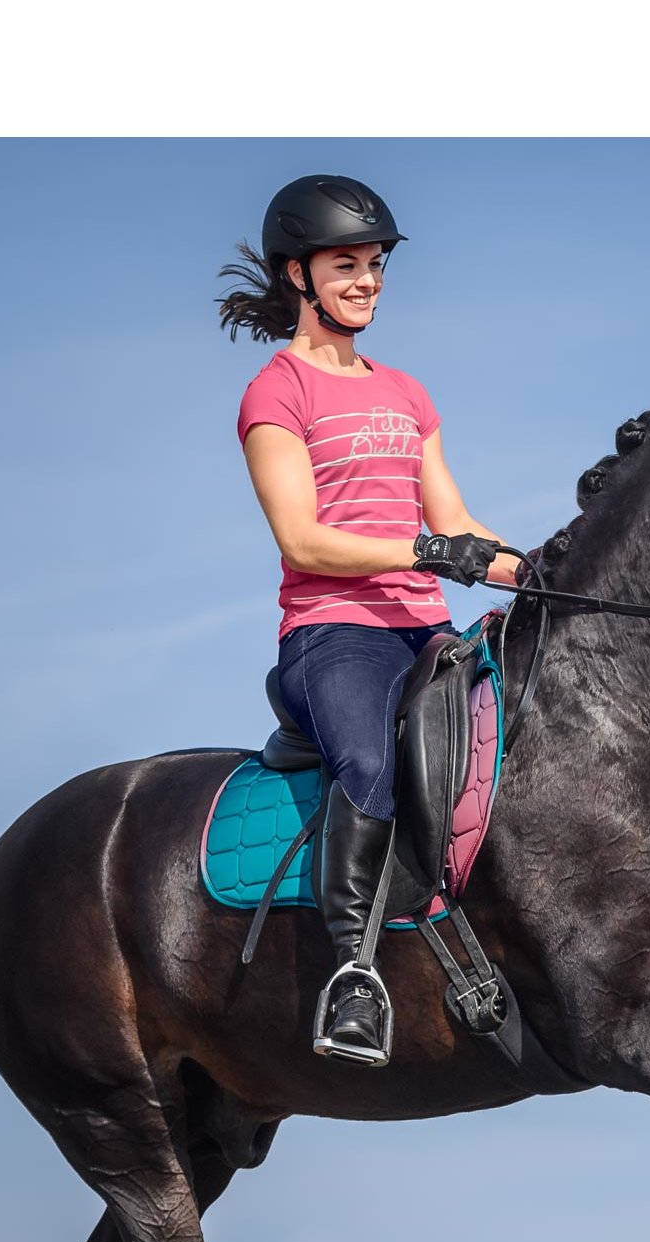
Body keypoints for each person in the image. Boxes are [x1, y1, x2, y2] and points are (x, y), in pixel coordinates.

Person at [218, 174, 522, 1068]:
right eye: (346, 265)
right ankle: (353, 975)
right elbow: (303, 539)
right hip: (333, 633)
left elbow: (457, 525)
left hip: (425, 630)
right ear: (298, 275)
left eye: (376, 265)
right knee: (369, 761)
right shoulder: (276, 394)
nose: (367, 282)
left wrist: (541, 571)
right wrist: (424, 552)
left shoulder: (408, 394)